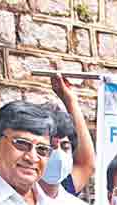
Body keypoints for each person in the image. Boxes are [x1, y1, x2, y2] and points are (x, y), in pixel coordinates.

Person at [45, 67, 96, 197]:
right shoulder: (16, 188)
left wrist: (70, 101)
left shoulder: (65, 189)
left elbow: (86, 163)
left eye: (65, 147)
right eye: (50, 147)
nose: (58, 154)